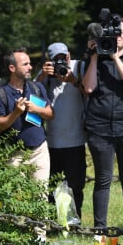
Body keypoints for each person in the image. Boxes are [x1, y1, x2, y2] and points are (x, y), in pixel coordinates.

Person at [83, 16, 123, 234]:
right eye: (114, 33)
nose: (117, 37)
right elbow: (88, 89)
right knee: (102, 179)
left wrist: (116, 59)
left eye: (121, 33)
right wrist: (93, 58)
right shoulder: (95, 60)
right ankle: (100, 227)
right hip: (99, 128)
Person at [35, 42, 87, 219]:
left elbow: (90, 91)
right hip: (52, 142)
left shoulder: (79, 68)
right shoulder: (44, 75)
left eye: (63, 58)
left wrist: (73, 80)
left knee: (76, 185)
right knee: (50, 187)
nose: (60, 63)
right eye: (55, 60)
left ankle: (75, 220)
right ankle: (52, 221)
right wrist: (42, 76)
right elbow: (31, 97)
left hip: (76, 140)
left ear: (69, 55)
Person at [0, 47, 54, 188]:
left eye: (30, 63)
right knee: (16, 199)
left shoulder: (37, 87)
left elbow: (50, 114)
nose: (30, 67)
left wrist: (36, 109)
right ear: (12, 68)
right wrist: (16, 113)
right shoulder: (0, 94)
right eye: (25, 64)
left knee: (40, 197)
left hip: (39, 151)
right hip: (14, 154)